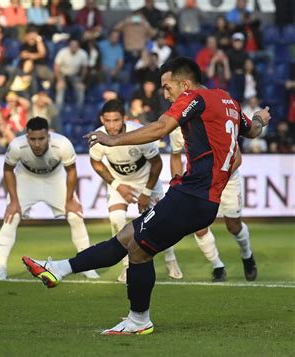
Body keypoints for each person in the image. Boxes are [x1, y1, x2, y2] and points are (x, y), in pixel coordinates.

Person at [22, 57, 270, 335]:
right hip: (199, 198)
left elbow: (160, 128)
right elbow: (254, 129)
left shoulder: (194, 97)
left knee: (138, 249)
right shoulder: (229, 102)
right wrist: (261, 116)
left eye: (167, 87)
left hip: (191, 195)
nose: (165, 95)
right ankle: (58, 268)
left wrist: (114, 140)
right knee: (129, 238)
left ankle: (139, 321)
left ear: (184, 84)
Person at [0, 117, 99, 281]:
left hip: (54, 178)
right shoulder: (16, 146)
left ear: (48, 136)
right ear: (27, 137)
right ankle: (1, 268)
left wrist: (70, 200)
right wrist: (13, 202)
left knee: (75, 216)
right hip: (26, 178)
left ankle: (87, 267)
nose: (37, 144)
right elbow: (8, 170)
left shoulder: (62, 144)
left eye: (41, 139)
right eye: (32, 139)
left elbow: (71, 171)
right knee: (10, 217)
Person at [89, 99, 182, 282]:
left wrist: (146, 193)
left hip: (147, 182)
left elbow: (157, 164)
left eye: (116, 120)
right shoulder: (98, 137)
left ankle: (170, 259)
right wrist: (117, 186)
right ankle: (126, 266)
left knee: (159, 223)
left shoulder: (138, 133)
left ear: (124, 118)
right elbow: (95, 162)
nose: (112, 125)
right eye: (107, 121)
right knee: (116, 219)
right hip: (120, 182)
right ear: (102, 119)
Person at [170, 127, 257, 282]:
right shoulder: (177, 129)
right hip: (199, 184)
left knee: (234, 226)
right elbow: (175, 155)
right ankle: (218, 267)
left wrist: (216, 179)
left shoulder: (213, 120)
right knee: (198, 226)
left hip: (228, 180)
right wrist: (177, 184)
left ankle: (247, 255)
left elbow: (237, 158)